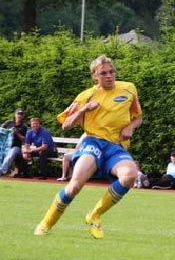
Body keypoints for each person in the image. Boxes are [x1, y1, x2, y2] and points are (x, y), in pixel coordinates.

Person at [34, 55, 143, 238]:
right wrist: (84, 109)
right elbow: (66, 124)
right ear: (95, 76)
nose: (109, 76)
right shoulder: (85, 96)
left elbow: (138, 117)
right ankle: (46, 223)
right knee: (75, 185)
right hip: (93, 142)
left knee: (130, 176)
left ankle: (94, 214)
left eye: (111, 72)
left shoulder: (129, 88)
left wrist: (130, 127)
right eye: (103, 73)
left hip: (115, 146)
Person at [0, 108, 28, 176]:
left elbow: (24, 139)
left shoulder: (24, 127)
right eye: (18, 114)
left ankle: (2, 171)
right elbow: (1, 130)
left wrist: (17, 133)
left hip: (16, 147)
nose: (20, 115)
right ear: (15, 114)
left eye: (21, 114)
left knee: (11, 154)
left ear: (23, 116)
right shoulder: (8, 122)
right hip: (4, 146)